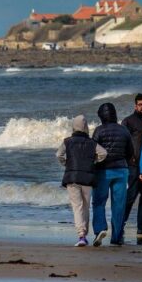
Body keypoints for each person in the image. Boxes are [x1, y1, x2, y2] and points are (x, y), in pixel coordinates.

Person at [56, 115, 108, 247]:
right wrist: (94, 162)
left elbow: (58, 155)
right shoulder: (91, 143)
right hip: (88, 178)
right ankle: (84, 233)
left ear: (74, 126)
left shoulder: (67, 141)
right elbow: (104, 153)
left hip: (72, 178)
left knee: (77, 207)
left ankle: (81, 236)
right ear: (85, 127)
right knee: (85, 207)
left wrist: (66, 164)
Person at [91, 102, 135, 247]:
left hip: (103, 171)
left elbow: (94, 151)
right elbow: (130, 152)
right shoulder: (124, 130)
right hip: (122, 170)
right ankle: (116, 237)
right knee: (119, 205)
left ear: (102, 116)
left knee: (99, 202)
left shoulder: (99, 130)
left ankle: (100, 229)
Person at [122, 93, 142, 239]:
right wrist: (129, 159)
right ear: (135, 106)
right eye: (140, 104)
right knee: (131, 197)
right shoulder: (128, 121)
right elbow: (123, 142)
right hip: (133, 166)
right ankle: (120, 224)